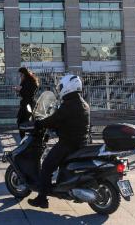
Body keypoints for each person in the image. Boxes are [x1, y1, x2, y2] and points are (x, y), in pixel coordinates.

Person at [27, 74, 90, 209]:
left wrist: (39, 123)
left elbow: (54, 119)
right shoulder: (82, 103)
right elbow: (65, 121)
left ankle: (42, 199)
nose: (60, 89)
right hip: (81, 142)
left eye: (61, 86)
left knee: (46, 167)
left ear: (68, 87)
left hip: (68, 144)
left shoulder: (68, 105)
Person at [14, 67, 39, 139]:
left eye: (21, 75)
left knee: (25, 122)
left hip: (28, 105)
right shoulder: (25, 81)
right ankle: (25, 139)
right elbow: (24, 93)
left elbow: (29, 93)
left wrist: (20, 90)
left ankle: (29, 139)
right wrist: (18, 90)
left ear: (24, 74)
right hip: (25, 104)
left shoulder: (30, 81)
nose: (20, 76)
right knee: (22, 122)